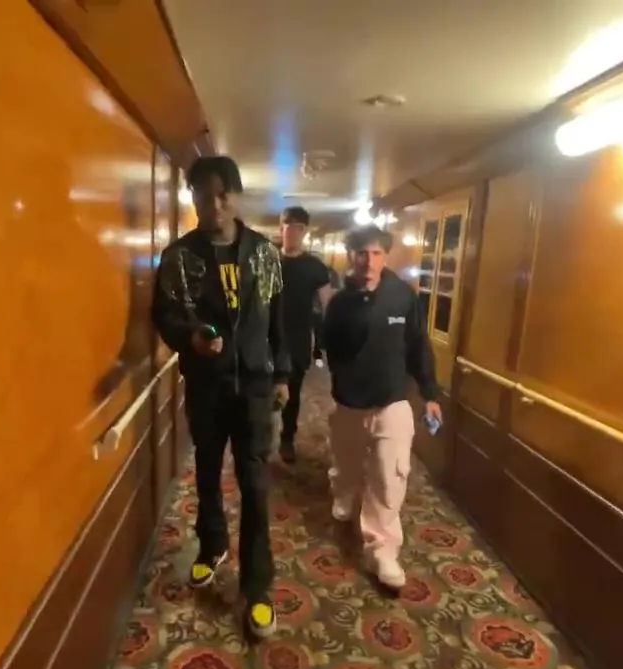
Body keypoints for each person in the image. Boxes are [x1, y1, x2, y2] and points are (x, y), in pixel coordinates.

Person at [151, 155, 290, 638]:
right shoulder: (178, 257)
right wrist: (190, 339)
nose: (214, 202)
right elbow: (164, 315)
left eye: (223, 192)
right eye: (203, 194)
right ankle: (212, 546)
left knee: (255, 485)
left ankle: (258, 585)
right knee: (207, 472)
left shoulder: (265, 254)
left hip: (254, 388)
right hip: (206, 385)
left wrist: (283, 374)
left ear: (237, 195)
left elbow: (278, 322)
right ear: (192, 198)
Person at [322, 226, 441, 590]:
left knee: (389, 478)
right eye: (362, 253)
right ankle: (343, 492)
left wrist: (430, 393)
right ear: (351, 255)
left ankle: (383, 552)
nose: (368, 261)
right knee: (346, 464)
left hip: (392, 402)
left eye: (376, 253)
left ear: (385, 257)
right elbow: (330, 348)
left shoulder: (402, 296)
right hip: (349, 404)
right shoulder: (340, 303)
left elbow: (418, 346)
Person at [275, 206, 336, 463]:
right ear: (281, 228)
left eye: (298, 228)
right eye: (288, 226)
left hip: (297, 340)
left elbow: (328, 303)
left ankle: (287, 438)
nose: (293, 232)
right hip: (266, 339)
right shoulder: (267, 261)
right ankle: (257, 439)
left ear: (305, 231)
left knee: (292, 394)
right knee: (259, 392)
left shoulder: (315, 267)